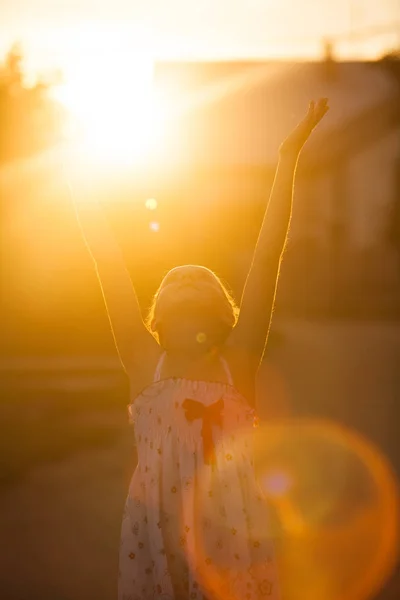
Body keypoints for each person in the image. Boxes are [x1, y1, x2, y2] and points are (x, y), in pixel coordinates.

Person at [70, 98, 329, 600]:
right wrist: (77, 166)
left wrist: (286, 158)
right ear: (156, 313)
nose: (188, 275)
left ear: (224, 310)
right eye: (176, 277)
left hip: (234, 525)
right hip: (156, 526)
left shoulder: (239, 363)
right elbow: (104, 254)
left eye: (200, 276)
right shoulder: (143, 359)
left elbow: (268, 251)